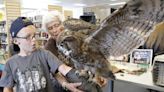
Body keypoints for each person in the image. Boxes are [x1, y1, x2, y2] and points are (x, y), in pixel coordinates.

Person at [0, 17, 100, 92]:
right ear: (16, 41)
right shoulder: (10, 63)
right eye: (28, 37)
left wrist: (66, 84)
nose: (34, 40)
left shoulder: (44, 54)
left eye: (34, 35)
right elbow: (7, 88)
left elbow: (62, 70)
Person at [42, 11, 107, 88]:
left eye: (56, 25)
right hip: (64, 86)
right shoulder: (49, 47)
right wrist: (66, 85)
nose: (54, 30)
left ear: (63, 24)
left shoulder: (74, 37)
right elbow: (55, 72)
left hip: (83, 80)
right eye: (50, 28)